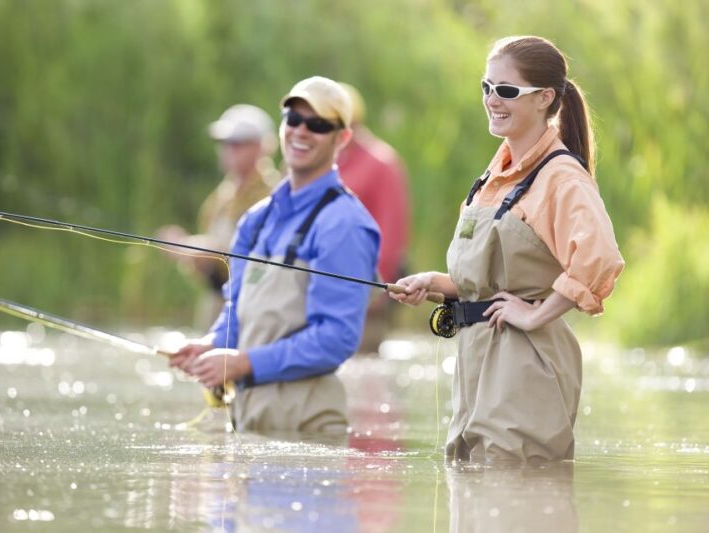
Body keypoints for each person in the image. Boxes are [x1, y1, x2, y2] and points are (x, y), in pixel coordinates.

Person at [390, 36, 624, 462]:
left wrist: (536, 314)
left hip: (526, 363)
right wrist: (435, 283)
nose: (492, 100)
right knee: (471, 483)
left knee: (514, 484)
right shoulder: (492, 177)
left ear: (545, 98)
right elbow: (495, 280)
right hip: (476, 358)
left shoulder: (561, 177)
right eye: (487, 87)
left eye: (507, 90)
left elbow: (599, 259)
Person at [170, 76, 380, 435]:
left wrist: (244, 363)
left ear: (342, 138)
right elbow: (238, 309)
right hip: (248, 418)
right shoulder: (256, 219)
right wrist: (210, 344)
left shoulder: (345, 224)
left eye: (318, 124)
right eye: (293, 119)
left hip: (308, 425)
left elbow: (335, 339)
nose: (302, 131)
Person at [158, 104, 279, 329]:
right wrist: (185, 250)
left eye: (237, 143)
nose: (227, 150)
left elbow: (268, 264)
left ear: (262, 146)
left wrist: (207, 251)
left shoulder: (275, 195)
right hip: (214, 310)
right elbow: (208, 271)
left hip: (252, 314)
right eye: (224, 143)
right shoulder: (219, 198)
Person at [336, 83, 411, 353]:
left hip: (363, 299)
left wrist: (376, 287)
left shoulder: (381, 163)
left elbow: (391, 232)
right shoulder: (332, 162)